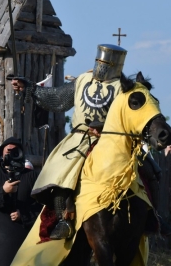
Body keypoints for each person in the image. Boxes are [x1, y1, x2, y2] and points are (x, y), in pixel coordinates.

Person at [12, 44, 127, 239]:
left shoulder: (123, 87)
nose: (102, 66)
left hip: (111, 138)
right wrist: (30, 88)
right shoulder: (83, 80)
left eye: (106, 62)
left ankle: (153, 215)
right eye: (100, 61)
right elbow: (57, 97)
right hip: (79, 138)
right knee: (59, 171)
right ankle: (62, 220)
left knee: (145, 167)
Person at [0, 137, 42, 266]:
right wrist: (3, 191)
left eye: (15, 151)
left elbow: (43, 206)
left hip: (21, 241)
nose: (11, 154)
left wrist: (23, 215)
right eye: (8, 151)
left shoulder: (32, 176)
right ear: (1, 154)